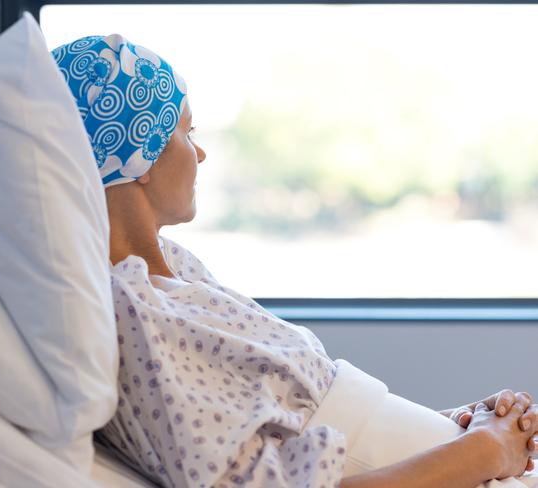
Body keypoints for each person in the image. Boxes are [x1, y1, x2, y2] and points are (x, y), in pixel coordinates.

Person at [51, 35, 538, 488]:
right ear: (142, 149)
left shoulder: (176, 272)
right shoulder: (131, 312)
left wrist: (458, 425)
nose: (199, 153)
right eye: (186, 130)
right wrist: (485, 450)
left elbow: (312, 419)